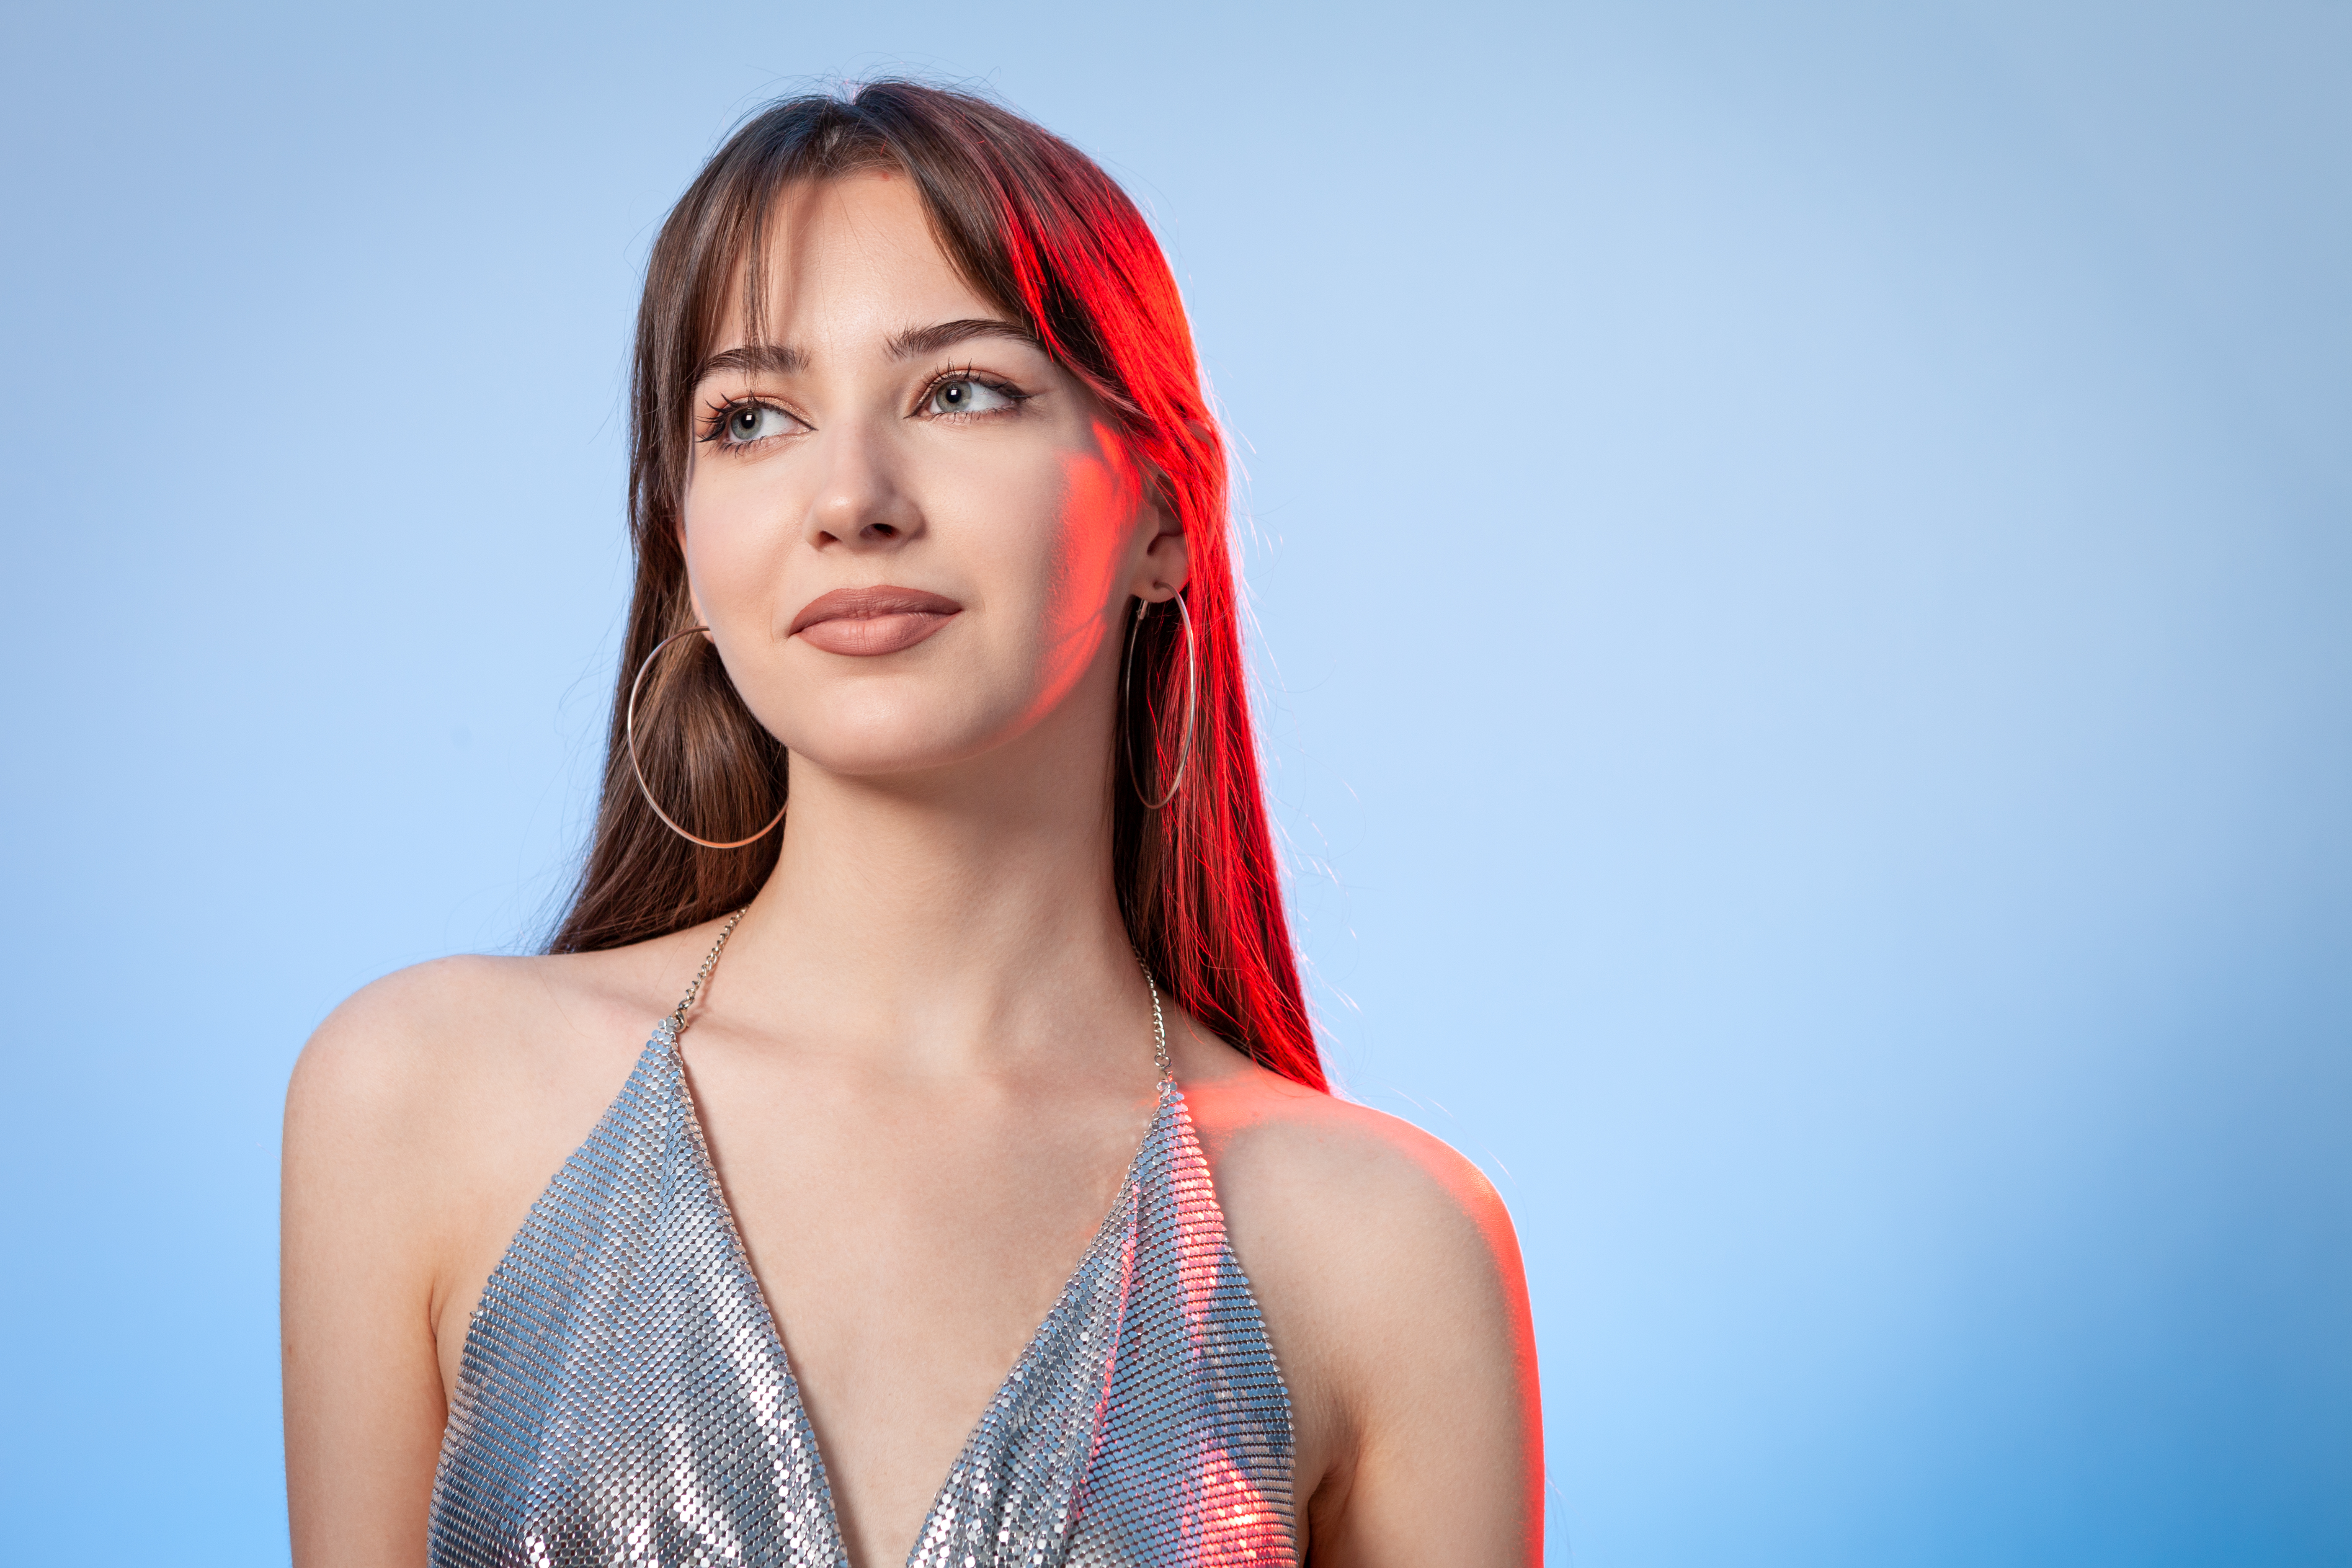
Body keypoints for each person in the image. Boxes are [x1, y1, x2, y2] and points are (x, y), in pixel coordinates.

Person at [281, 80, 1542, 1567]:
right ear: (684, 545)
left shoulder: (1385, 1251)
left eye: (961, 391)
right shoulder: (423, 1100)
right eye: (752, 419)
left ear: (1163, 516)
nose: (851, 498)